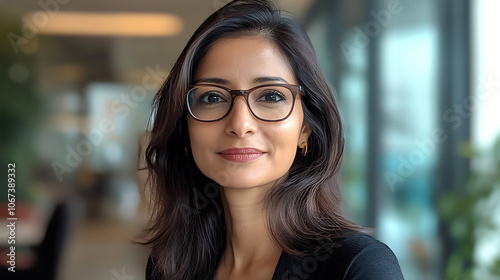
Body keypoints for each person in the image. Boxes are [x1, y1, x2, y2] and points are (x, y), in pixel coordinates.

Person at [142, 0, 405, 279]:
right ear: (185, 128)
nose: (240, 125)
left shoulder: (358, 266)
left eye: (271, 96)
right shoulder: (169, 266)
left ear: (306, 128)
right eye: (213, 97)